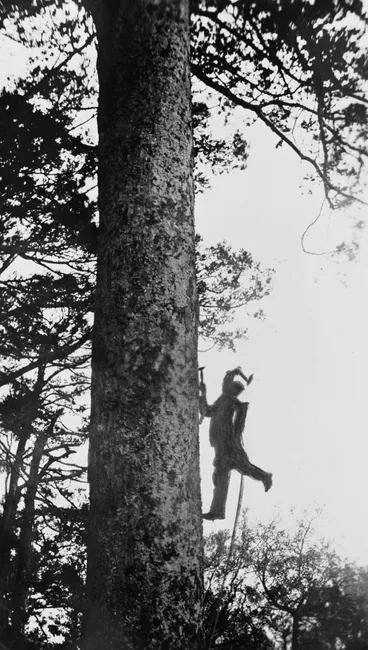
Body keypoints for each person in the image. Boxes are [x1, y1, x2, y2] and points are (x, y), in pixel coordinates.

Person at [199, 367, 272, 520]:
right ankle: (217, 511)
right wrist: (203, 394)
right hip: (223, 446)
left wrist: (233, 372)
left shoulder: (230, 401)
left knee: (228, 473)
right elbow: (207, 412)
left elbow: (210, 409)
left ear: (233, 390)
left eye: (230, 386)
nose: (226, 387)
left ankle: (217, 511)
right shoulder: (224, 399)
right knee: (230, 472)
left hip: (229, 446)